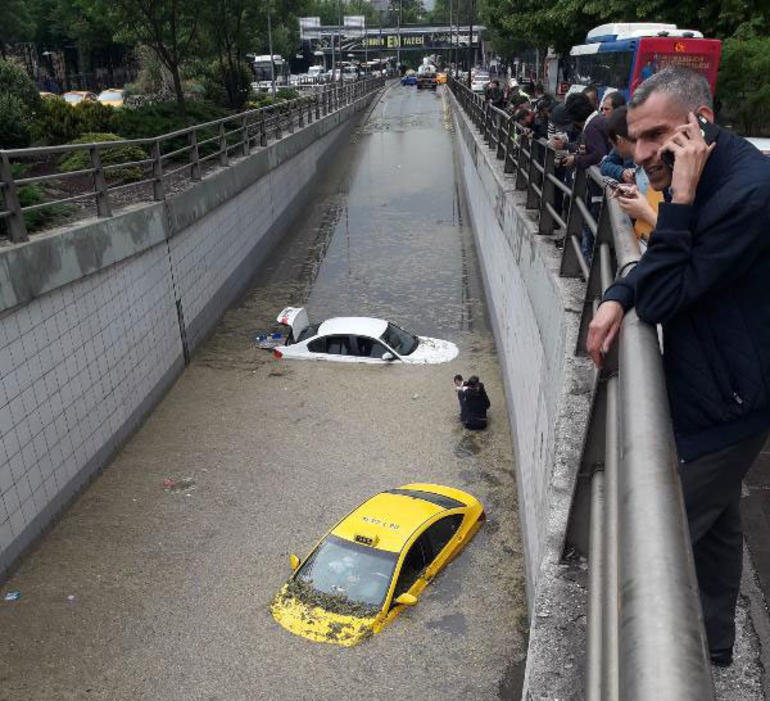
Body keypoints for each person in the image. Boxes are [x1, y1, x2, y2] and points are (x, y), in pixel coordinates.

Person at [586, 67, 770, 667]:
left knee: (653, 548)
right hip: (718, 388)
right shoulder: (718, 173)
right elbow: (674, 261)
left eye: (655, 136)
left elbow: (669, 291)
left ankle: (649, 668)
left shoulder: (746, 193)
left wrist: (681, 201)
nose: (641, 155)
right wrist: (620, 291)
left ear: (701, 124)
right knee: (718, 533)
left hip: (731, 404)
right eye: (635, 138)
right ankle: (717, 648)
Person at [600, 106, 662, 246]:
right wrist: (636, 193)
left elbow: (674, 232)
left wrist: (643, 211)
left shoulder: (664, 171)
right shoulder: (647, 169)